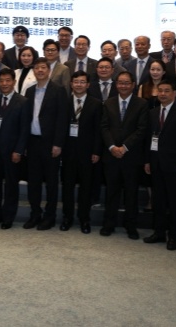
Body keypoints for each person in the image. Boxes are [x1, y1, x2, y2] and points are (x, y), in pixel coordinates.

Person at [100, 71, 150, 240]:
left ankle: (131, 226)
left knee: (131, 193)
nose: (123, 86)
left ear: (133, 85)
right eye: (120, 82)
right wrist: (112, 147)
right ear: (116, 85)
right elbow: (104, 127)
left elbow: (142, 129)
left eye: (127, 83)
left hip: (132, 156)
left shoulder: (142, 104)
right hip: (111, 155)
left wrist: (125, 147)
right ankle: (109, 224)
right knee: (111, 192)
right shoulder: (108, 103)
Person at [143, 80, 176, 250]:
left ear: (174, 94)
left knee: (174, 202)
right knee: (158, 201)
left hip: (174, 165)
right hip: (156, 163)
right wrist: (147, 161)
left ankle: (173, 236)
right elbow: (148, 139)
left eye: (167, 91)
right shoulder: (152, 113)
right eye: (160, 91)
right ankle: (159, 233)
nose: (163, 94)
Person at [23, 57, 69, 230]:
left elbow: (62, 119)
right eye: (37, 68)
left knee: (51, 182)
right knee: (33, 181)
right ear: (33, 71)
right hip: (32, 142)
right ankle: (35, 214)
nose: (40, 70)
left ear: (49, 70)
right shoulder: (29, 91)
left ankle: (50, 216)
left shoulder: (58, 90)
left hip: (50, 144)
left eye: (43, 67)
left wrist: (58, 144)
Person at [61, 70, 102, 234]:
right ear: (71, 84)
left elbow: (99, 130)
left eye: (82, 82)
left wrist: (96, 151)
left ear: (88, 85)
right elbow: (59, 127)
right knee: (67, 187)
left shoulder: (96, 103)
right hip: (68, 151)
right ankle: (67, 218)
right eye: (76, 81)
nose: (79, 84)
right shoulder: (64, 102)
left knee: (86, 188)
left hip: (87, 152)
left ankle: (84, 219)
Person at [0, 68, 28, 229]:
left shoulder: (23, 101)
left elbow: (24, 129)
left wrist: (19, 150)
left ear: (14, 82)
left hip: (12, 152)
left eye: (8, 80)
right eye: (1, 81)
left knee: (11, 186)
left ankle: (8, 218)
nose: (4, 84)